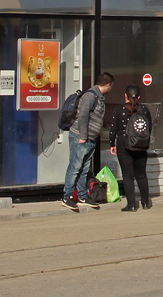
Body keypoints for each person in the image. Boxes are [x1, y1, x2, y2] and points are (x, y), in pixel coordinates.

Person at [62, 71, 114, 211]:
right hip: (81, 137)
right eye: (111, 86)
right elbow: (83, 115)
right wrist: (83, 136)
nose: (111, 89)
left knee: (84, 168)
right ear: (108, 84)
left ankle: (82, 195)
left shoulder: (98, 97)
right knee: (75, 167)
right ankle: (67, 196)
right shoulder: (90, 96)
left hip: (90, 138)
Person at [109, 84, 153, 211]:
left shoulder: (119, 110)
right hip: (141, 145)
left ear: (125, 96)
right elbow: (149, 127)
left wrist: (112, 144)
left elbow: (113, 129)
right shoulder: (144, 109)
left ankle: (132, 204)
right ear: (139, 97)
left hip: (124, 145)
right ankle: (145, 202)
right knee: (141, 174)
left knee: (128, 175)